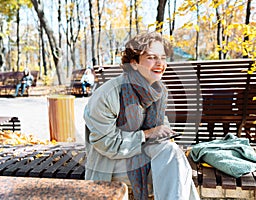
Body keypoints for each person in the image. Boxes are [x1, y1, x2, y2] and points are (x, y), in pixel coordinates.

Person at [83, 32, 200, 200]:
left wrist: (164, 135)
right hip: (109, 165)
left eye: (163, 57)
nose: (160, 63)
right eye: (152, 57)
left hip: (143, 155)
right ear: (134, 63)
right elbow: (106, 144)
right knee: (177, 168)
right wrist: (147, 134)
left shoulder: (157, 92)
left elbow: (160, 129)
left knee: (174, 156)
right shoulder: (108, 95)